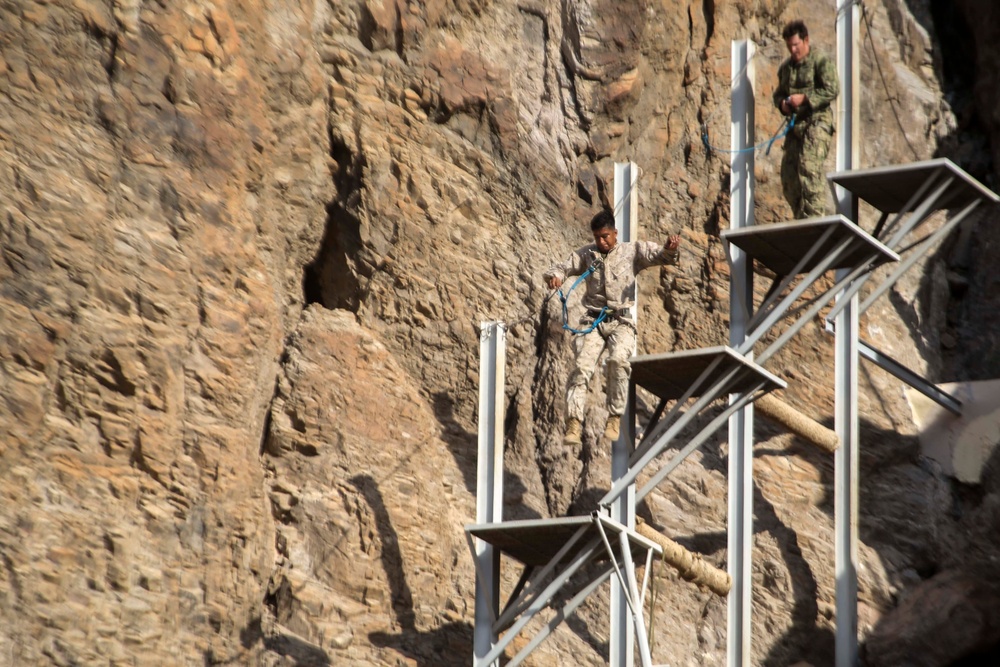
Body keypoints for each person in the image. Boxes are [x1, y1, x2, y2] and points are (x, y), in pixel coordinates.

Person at [543, 209, 681, 445]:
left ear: (615, 233)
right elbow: (563, 266)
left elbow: (662, 256)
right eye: (597, 237)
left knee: (618, 361)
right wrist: (554, 277)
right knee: (580, 367)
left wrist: (669, 248)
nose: (601, 241)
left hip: (621, 321)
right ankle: (573, 424)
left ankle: (614, 417)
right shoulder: (587, 254)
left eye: (605, 236)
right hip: (592, 321)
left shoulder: (632, 251)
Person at [773, 19, 840, 219]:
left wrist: (805, 98)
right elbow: (779, 93)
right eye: (789, 46)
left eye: (796, 44)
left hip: (817, 121)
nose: (793, 50)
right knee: (789, 175)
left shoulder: (819, 60)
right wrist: (783, 105)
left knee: (809, 167)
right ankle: (801, 217)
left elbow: (832, 89)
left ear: (806, 40)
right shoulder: (786, 68)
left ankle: (815, 218)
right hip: (796, 126)